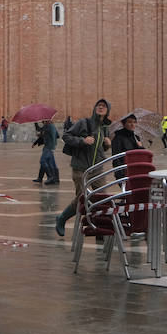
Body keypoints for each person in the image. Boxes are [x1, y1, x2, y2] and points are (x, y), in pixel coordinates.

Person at [54, 98, 113, 237]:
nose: (101, 107)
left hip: (97, 168)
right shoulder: (84, 123)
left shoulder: (104, 128)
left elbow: (99, 148)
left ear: (108, 110)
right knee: (82, 198)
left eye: (104, 106)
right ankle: (62, 218)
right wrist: (82, 141)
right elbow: (66, 136)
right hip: (81, 168)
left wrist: (107, 144)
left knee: (102, 198)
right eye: (98, 105)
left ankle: (99, 229)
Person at [33, 119, 60, 185]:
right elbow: (40, 130)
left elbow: (54, 136)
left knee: (43, 161)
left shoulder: (50, 126)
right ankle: (43, 178)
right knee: (50, 163)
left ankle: (51, 177)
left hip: (49, 147)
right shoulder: (48, 126)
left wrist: (53, 147)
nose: (43, 121)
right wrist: (36, 123)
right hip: (48, 147)